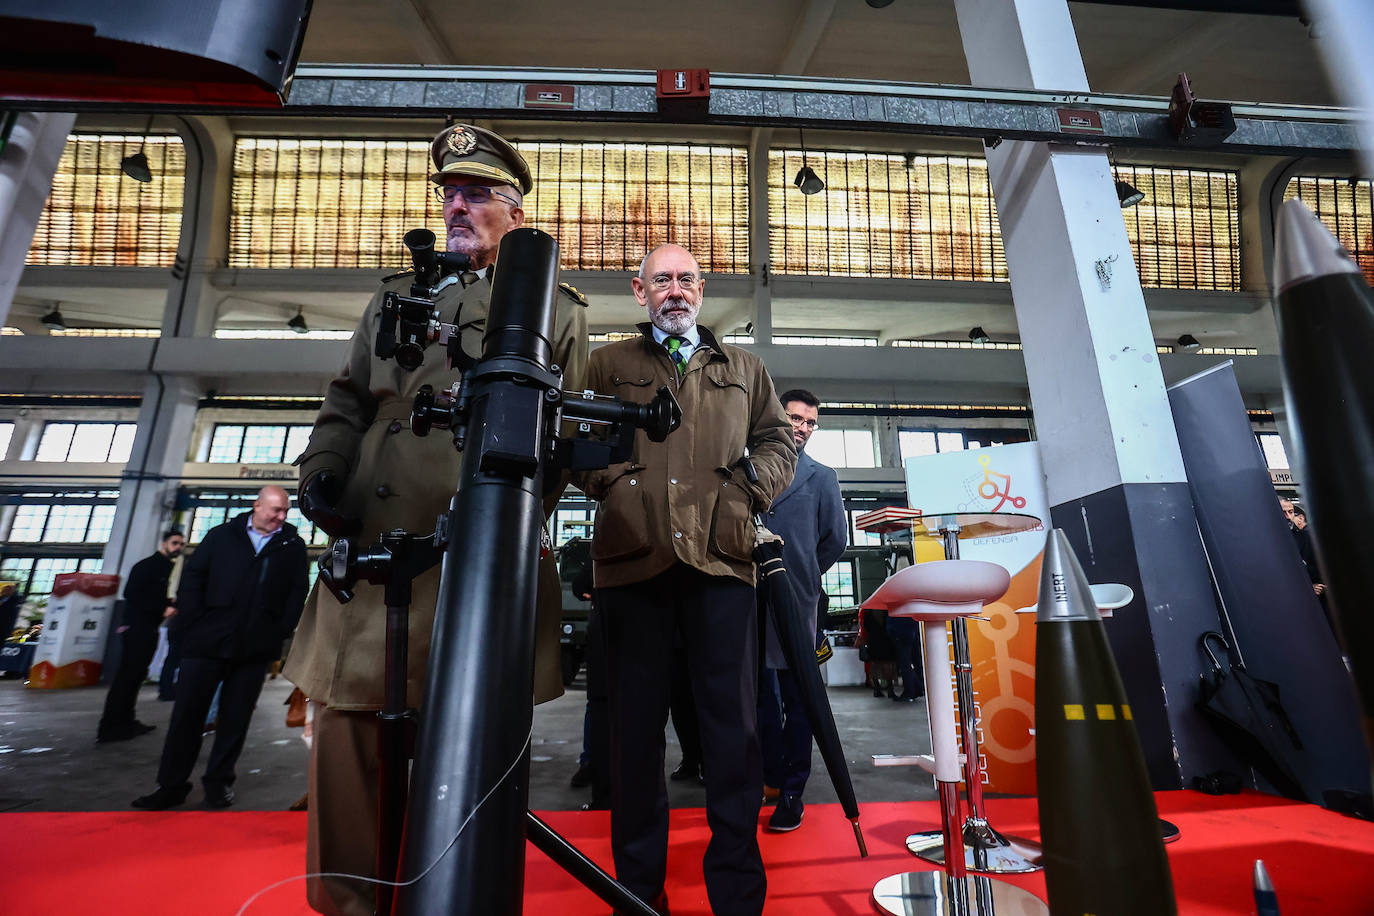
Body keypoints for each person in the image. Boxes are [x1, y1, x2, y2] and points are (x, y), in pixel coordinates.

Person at [283, 123, 589, 916]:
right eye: (449, 192)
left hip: (473, 552)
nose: (456, 204)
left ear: (514, 211)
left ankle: (451, 897)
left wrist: (513, 529)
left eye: (476, 193)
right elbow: (347, 398)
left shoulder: (554, 304)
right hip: (371, 541)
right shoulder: (394, 293)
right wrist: (322, 472)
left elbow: (557, 440)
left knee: (464, 742)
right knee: (347, 736)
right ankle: (350, 906)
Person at [573, 243, 796, 916]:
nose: (676, 289)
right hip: (632, 563)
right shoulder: (608, 363)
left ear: (702, 291)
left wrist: (747, 491)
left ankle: (736, 894)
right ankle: (637, 894)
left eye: (687, 279)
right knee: (633, 739)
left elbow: (778, 442)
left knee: (734, 735)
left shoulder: (745, 368)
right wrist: (619, 484)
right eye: (662, 279)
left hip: (721, 563)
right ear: (639, 292)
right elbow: (579, 437)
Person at [131, 487, 308, 810]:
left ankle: (218, 784)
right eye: (275, 510)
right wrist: (195, 625)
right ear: (257, 506)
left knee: (234, 721)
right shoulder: (221, 536)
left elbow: (297, 593)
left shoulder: (292, 546)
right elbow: (193, 580)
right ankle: (170, 785)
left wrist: (278, 631)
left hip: (254, 648)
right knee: (186, 717)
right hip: (206, 644)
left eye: (285, 511)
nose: (281, 516)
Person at [756, 388, 848, 832]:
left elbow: (835, 540)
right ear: (777, 416)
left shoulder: (822, 478)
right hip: (745, 598)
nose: (802, 428)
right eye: (795, 418)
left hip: (798, 603)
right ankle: (767, 778)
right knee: (754, 700)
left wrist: (805, 573)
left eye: (810, 422)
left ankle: (792, 792)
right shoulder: (747, 467)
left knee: (800, 701)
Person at [97, 528, 184, 742]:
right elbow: (133, 594)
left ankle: (126, 720)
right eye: (175, 543)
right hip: (138, 629)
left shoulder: (163, 568)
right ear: (163, 543)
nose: (178, 548)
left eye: (181, 544)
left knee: (135, 677)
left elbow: (150, 596)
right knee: (127, 678)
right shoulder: (149, 566)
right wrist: (161, 609)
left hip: (147, 628)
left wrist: (167, 604)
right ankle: (111, 726)